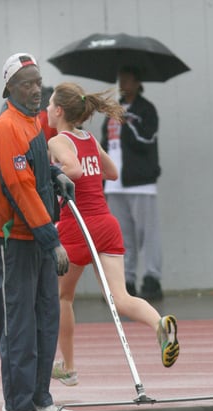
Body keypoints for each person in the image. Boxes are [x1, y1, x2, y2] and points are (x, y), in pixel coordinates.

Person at [45, 82, 179, 387]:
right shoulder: (89, 138)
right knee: (120, 297)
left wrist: (54, 175)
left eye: (50, 105)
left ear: (60, 110)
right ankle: (160, 325)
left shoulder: (57, 141)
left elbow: (74, 170)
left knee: (62, 297)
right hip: (107, 224)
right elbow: (112, 173)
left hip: (77, 225)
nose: (46, 110)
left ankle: (68, 367)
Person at [0, 53, 75, 411]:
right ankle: (17, 406)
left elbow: (34, 169)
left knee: (45, 319)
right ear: (10, 88)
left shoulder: (34, 123)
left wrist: (54, 173)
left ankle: (40, 397)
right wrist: (52, 239)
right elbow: (20, 188)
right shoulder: (7, 126)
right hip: (12, 241)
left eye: (39, 82)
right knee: (18, 323)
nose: (37, 89)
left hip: (36, 238)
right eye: (27, 83)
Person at [100, 66, 164, 300]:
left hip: (140, 182)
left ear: (138, 82)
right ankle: (126, 280)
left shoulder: (145, 110)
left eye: (127, 79)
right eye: (120, 79)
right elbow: (105, 144)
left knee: (148, 233)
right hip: (115, 183)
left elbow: (146, 139)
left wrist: (129, 123)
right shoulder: (112, 110)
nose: (123, 83)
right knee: (122, 235)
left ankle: (152, 278)